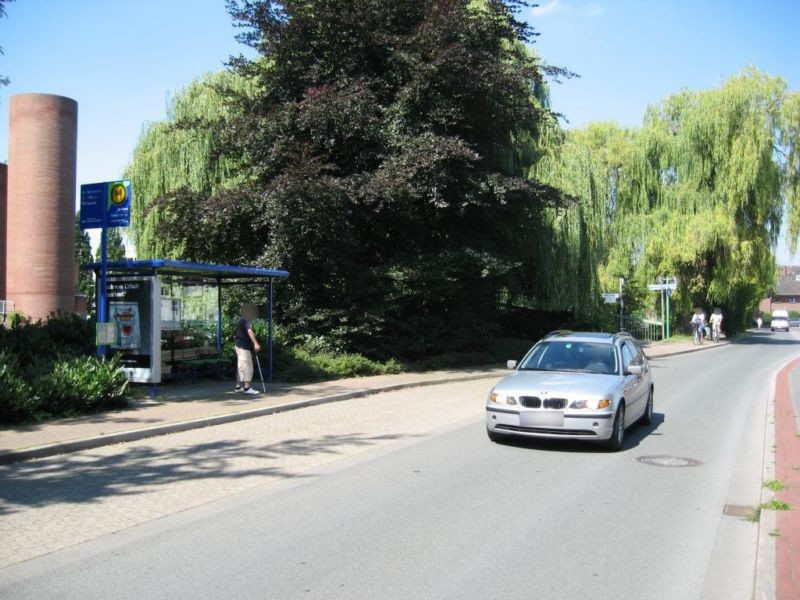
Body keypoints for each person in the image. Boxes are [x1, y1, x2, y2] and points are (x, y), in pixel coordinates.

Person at [234, 303, 261, 395]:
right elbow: (249, 331)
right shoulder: (246, 320)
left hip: (239, 345)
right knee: (247, 366)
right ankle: (247, 388)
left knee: (241, 366)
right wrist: (256, 343)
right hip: (243, 347)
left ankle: (238, 386)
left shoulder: (241, 320)